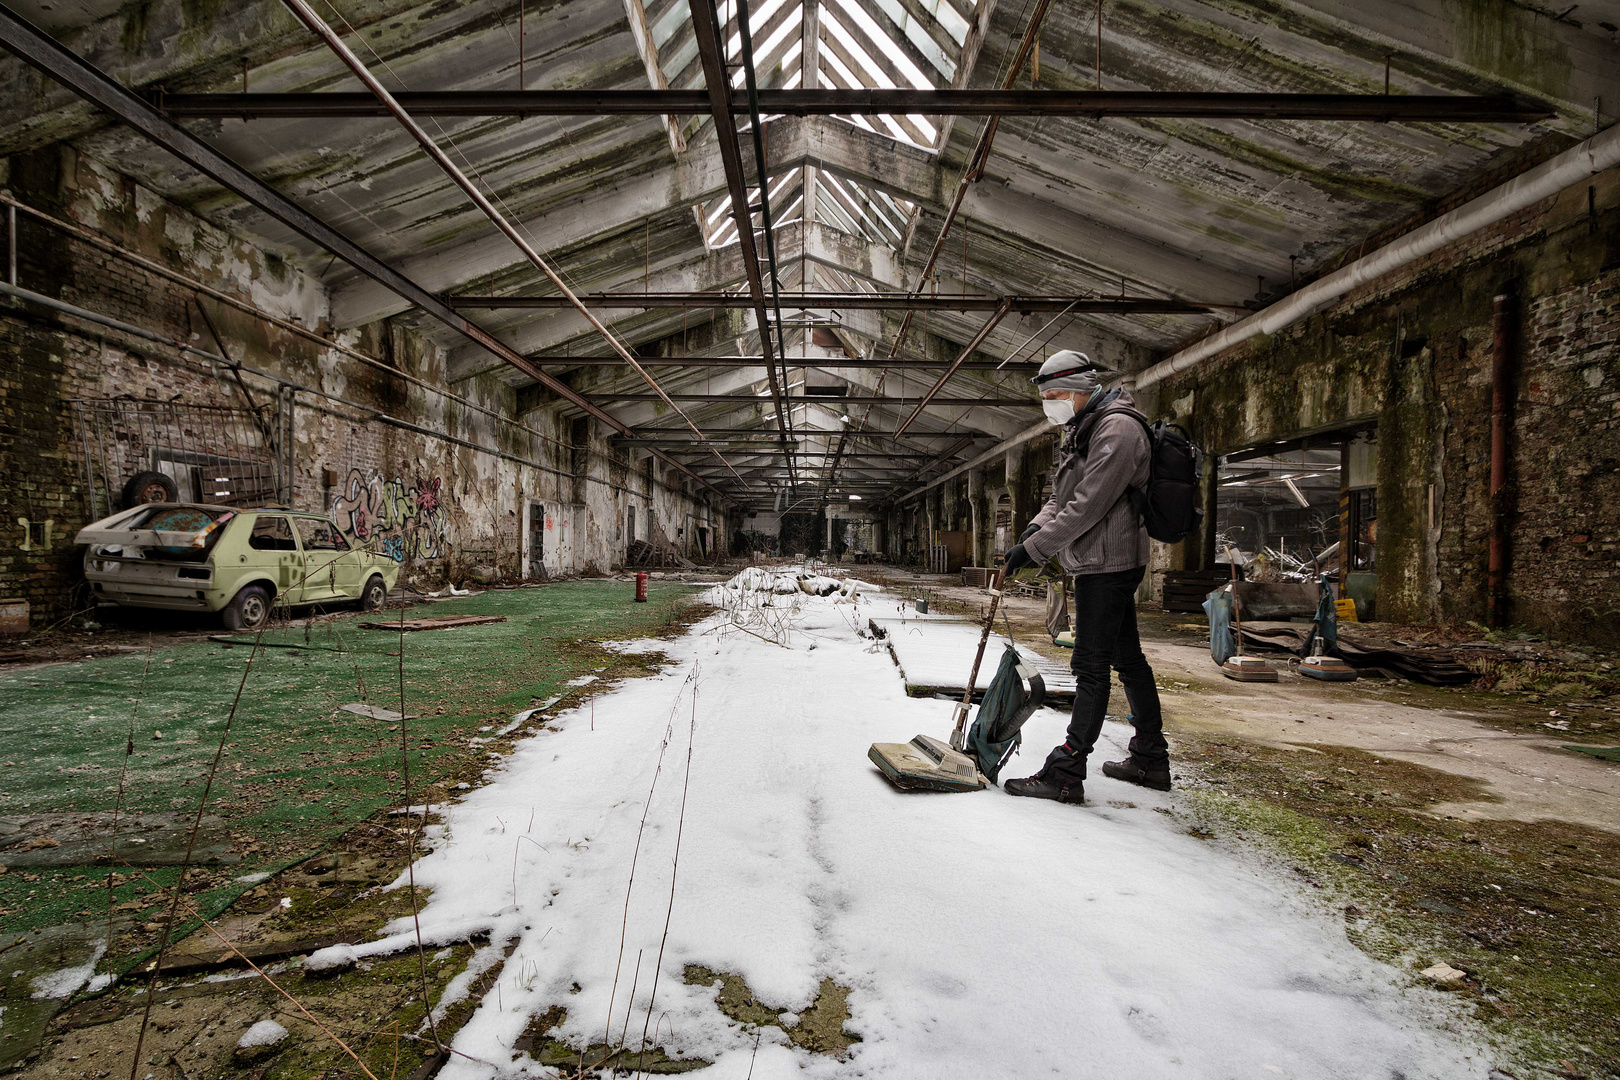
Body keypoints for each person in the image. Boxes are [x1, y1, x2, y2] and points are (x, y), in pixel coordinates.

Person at [999, 351, 1171, 804]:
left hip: (1109, 563)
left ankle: (1067, 770)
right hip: (1097, 559)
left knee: (1090, 667)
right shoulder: (1083, 426)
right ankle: (1150, 757)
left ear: (1078, 388)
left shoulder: (1118, 429)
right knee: (1128, 659)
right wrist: (1034, 528)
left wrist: (1034, 551)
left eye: (1054, 396)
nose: (1050, 405)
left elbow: (1088, 504)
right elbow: (1061, 497)